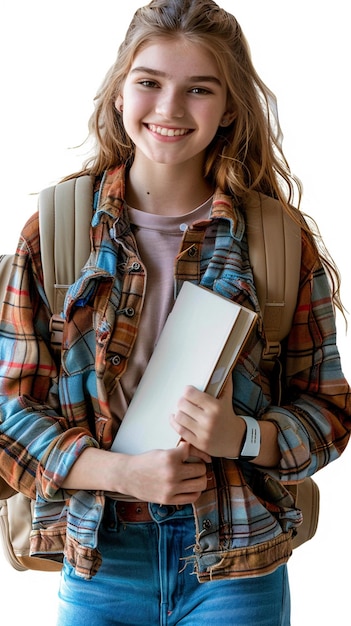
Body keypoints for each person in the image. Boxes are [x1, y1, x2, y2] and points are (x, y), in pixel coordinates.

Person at [0, 1, 350, 624]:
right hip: (102, 559)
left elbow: (327, 409)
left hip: (236, 562)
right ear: (118, 93)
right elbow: (9, 411)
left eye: (199, 89)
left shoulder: (275, 240)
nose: (169, 109)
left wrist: (243, 436)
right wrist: (125, 474)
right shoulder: (54, 233)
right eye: (149, 82)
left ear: (229, 109)